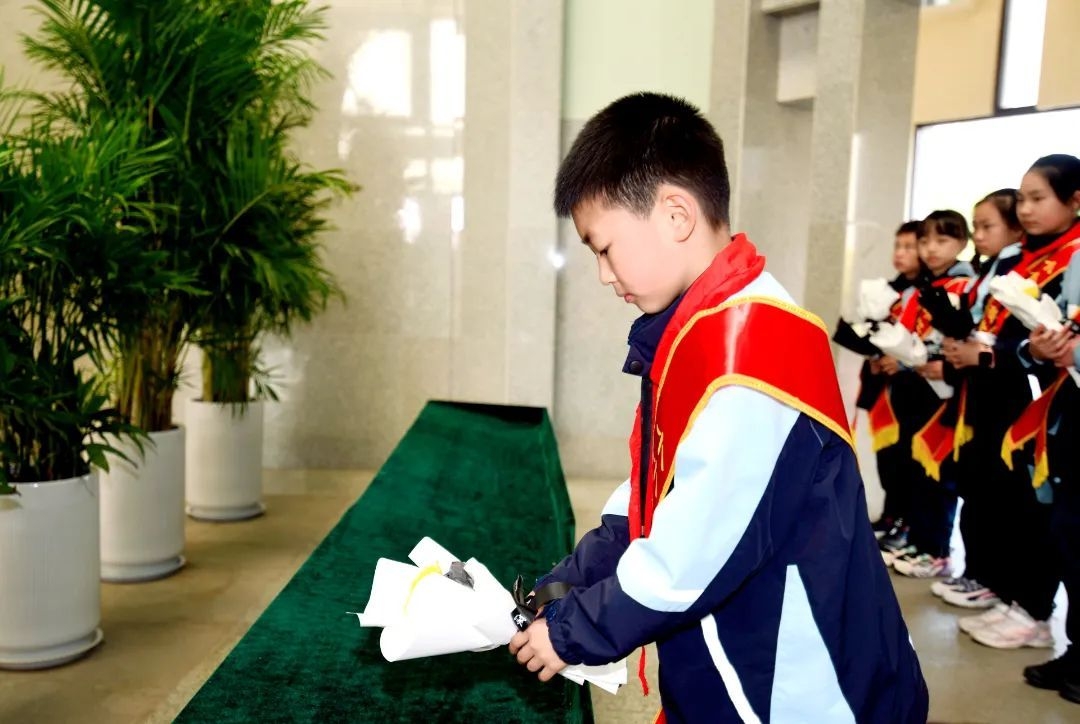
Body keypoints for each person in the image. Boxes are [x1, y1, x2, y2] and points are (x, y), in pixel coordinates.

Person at [508, 92, 927, 724]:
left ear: (676, 214)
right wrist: (570, 579)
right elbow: (657, 489)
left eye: (604, 247)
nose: (603, 274)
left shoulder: (755, 351)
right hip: (743, 661)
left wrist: (570, 631)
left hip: (800, 689)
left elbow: (689, 554)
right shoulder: (704, 323)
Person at [959, 155, 1080, 651]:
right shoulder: (1027, 258)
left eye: (1037, 198)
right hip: (1025, 392)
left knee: (1043, 513)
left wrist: (1005, 354)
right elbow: (1023, 337)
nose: (1025, 209)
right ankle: (1018, 596)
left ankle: (1034, 606)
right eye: (1023, 199)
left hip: (1046, 398)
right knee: (1015, 504)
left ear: (1074, 201)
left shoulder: (1071, 256)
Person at [935, 190, 1024, 607]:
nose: (979, 235)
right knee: (975, 488)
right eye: (976, 227)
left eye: (988, 226)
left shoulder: (1022, 268)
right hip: (976, 390)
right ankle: (977, 573)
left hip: (1007, 394)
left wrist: (978, 352)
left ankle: (998, 582)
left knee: (998, 496)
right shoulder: (990, 268)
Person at [888, 211, 972, 578]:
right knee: (914, 467)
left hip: (945, 391)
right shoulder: (924, 286)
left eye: (942, 240)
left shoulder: (963, 284)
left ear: (962, 243)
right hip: (915, 384)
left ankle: (936, 549)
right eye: (925, 241)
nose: (930, 249)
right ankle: (919, 540)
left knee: (938, 473)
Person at [849, 222, 922, 544]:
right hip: (885, 388)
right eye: (897, 246)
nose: (900, 253)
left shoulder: (927, 291)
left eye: (909, 247)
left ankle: (908, 523)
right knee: (887, 458)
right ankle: (891, 515)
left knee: (908, 461)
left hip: (914, 390)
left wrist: (901, 361)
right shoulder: (889, 291)